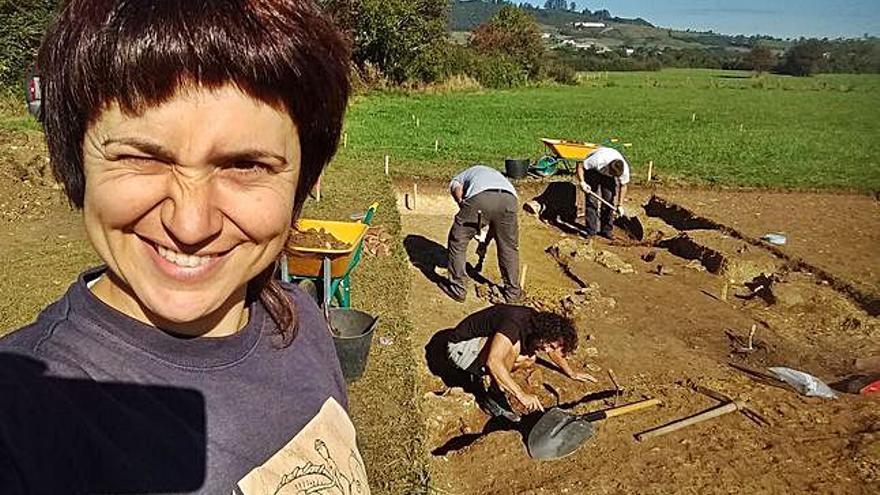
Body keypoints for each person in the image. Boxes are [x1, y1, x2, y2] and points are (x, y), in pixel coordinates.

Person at [0, 1, 369, 493]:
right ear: (76, 165)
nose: (191, 225)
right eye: (140, 157)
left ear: (304, 180)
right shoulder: (25, 415)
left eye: (246, 165)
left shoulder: (299, 320)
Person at [446, 305, 594, 421]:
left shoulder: (539, 326)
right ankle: (493, 397)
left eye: (552, 348)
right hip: (460, 348)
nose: (548, 350)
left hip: (478, 346)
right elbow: (493, 360)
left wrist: (571, 372)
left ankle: (488, 376)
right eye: (549, 345)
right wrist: (521, 395)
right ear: (546, 334)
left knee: (529, 358)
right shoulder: (514, 324)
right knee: (513, 347)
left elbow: (554, 349)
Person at [444, 165, 521, 303]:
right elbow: (495, 228)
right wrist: (484, 245)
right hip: (510, 199)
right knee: (509, 248)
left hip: (481, 197)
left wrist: (462, 205)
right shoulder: (491, 174)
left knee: (458, 240)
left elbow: (457, 188)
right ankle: (513, 294)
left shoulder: (459, 178)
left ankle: (458, 288)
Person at [575, 146, 631, 239]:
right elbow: (580, 165)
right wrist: (582, 182)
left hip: (607, 177)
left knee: (609, 200)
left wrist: (620, 205)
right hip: (593, 171)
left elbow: (623, 185)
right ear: (608, 166)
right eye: (611, 173)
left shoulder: (624, 170)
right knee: (592, 201)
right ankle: (591, 232)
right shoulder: (598, 160)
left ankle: (607, 230)